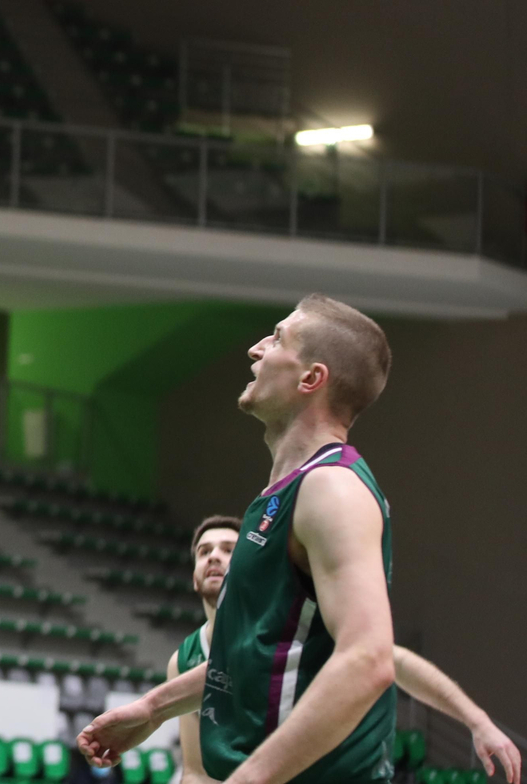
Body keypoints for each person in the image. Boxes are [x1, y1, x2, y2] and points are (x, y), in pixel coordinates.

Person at [79, 294, 403, 784]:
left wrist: (250, 779)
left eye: (277, 339)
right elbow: (253, 655)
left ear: (311, 378)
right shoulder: (283, 495)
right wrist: (153, 708)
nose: (256, 348)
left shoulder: (331, 489)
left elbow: (367, 661)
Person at [171, 517, 520, 784]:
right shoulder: (184, 660)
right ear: (194, 577)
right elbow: (196, 772)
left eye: (228, 549)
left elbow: (393, 660)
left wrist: (477, 720)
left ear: (251, 567)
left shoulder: (299, 627)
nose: (214, 557)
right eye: (204, 552)